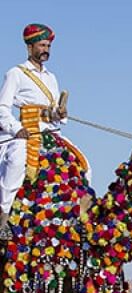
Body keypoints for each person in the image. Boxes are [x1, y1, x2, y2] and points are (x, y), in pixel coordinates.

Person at [0, 24, 66, 239]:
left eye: (48, 45)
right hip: (22, 134)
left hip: (49, 133)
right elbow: (2, 108)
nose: (45, 49)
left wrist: (59, 113)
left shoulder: (51, 78)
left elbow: (55, 114)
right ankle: (3, 214)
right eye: (41, 45)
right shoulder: (16, 73)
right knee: (17, 159)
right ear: (30, 47)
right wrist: (16, 128)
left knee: (81, 164)